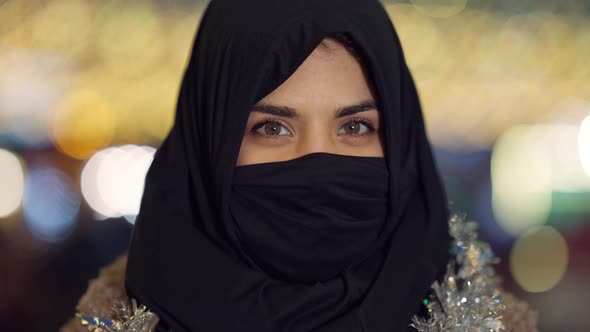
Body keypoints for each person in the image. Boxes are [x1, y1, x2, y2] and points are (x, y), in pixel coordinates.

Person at [60, 0, 539, 331]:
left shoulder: (479, 319)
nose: (316, 160)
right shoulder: (114, 322)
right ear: (209, 145)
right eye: (272, 128)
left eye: (354, 128)